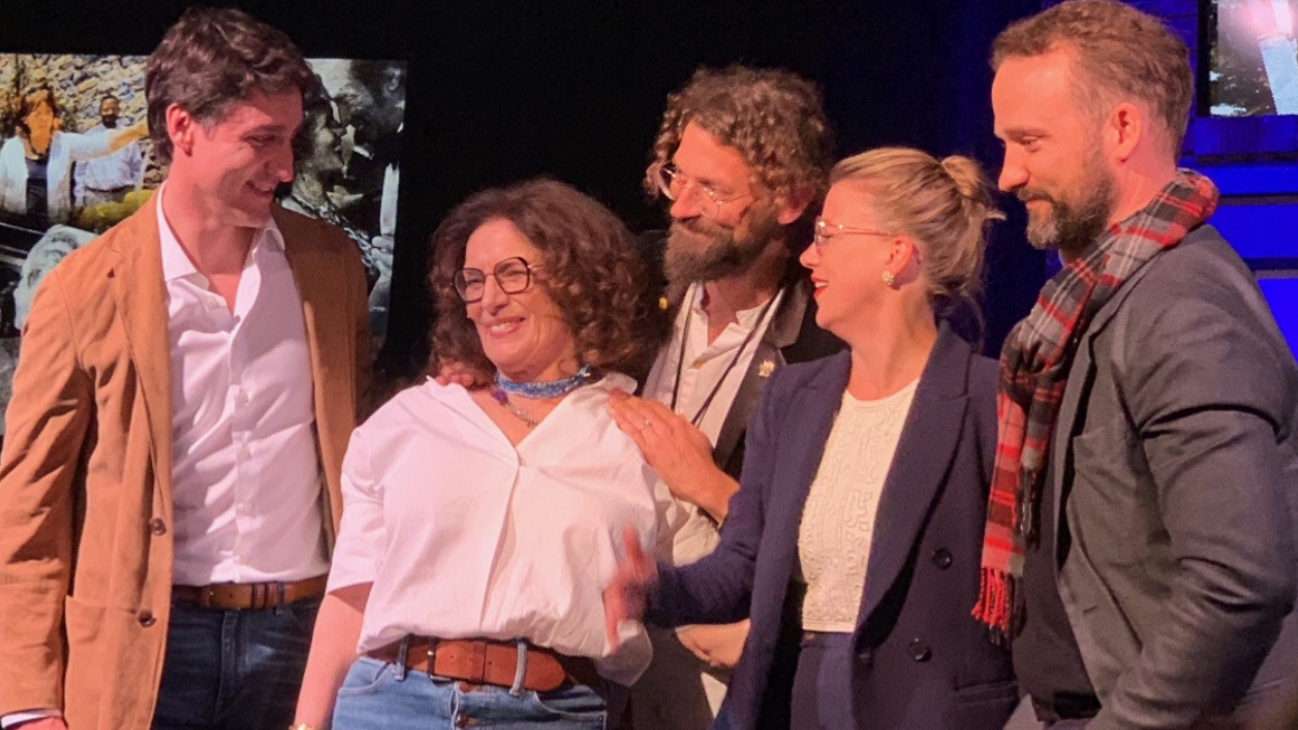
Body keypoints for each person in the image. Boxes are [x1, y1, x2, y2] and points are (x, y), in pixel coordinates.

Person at [0, 7, 372, 730]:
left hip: (300, 638)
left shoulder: (331, 269)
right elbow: (28, 507)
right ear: (182, 127)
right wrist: (27, 699)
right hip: (148, 641)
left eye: (290, 141)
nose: (287, 168)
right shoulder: (84, 289)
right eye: (262, 141)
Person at [605, 147, 1016, 730]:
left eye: (827, 236)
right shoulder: (796, 397)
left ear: (895, 255)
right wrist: (653, 588)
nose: (807, 255)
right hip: (799, 700)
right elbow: (744, 564)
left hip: (923, 708)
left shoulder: (989, 399)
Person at [980, 2, 1298, 728]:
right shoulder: (1096, 299)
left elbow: (1238, 579)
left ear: (1121, 128)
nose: (1008, 174)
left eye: (1029, 141)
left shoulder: (1180, 307)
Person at [291, 178, 668, 730]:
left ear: (578, 281)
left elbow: (696, 597)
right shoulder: (412, 420)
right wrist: (306, 725)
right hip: (391, 704)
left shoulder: (640, 431)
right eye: (474, 281)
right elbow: (351, 599)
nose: (489, 300)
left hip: (550, 713)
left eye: (513, 274)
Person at [608, 65, 842, 730]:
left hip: (713, 669)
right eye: (677, 176)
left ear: (792, 201)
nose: (681, 206)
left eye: (713, 190)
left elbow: (843, 538)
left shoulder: (826, 341)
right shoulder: (627, 283)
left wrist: (708, 484)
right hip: (595, 652)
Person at [0, 85, 146, 224]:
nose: (44, 118)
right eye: (37, 114)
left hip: (53, 229)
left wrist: (138, 130)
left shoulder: (64, 143)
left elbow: (100, 144)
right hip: (17, 228)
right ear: (25, 119)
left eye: (48, 113)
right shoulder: (11, 149)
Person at [73, 93, 147, 209]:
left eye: (113, 109)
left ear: (118, 111)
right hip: (94, 198)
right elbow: (80, 171)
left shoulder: (128, 136)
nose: (109, 113)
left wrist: (135, 195)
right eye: (105, 110)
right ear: (99, 112)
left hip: (122, 197)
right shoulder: (89, 137)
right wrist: (79, 198)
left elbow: (136, 168)